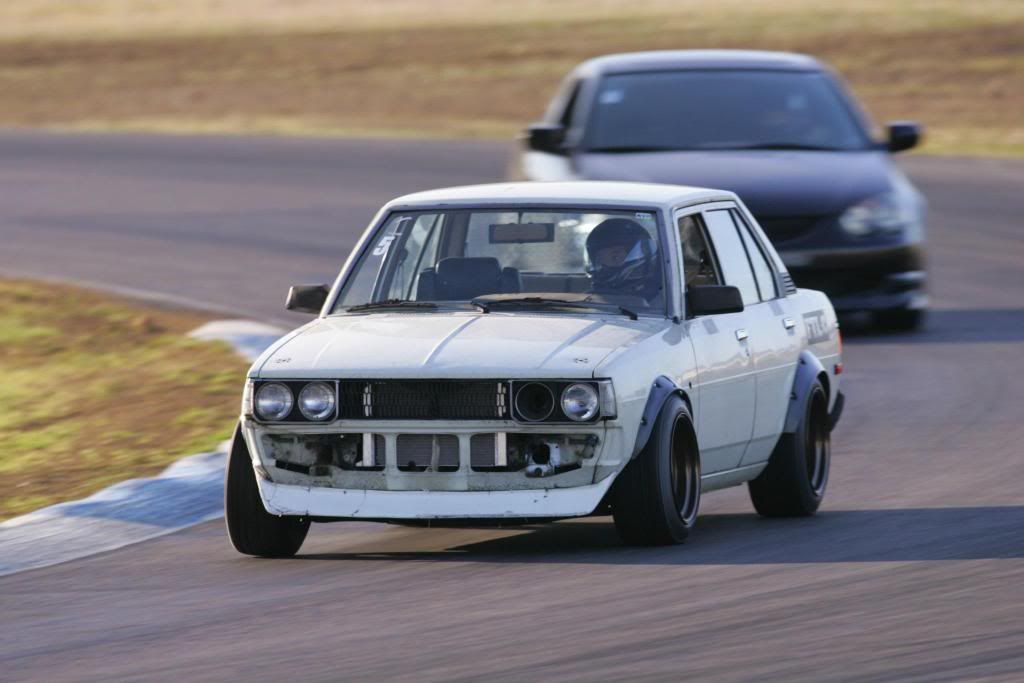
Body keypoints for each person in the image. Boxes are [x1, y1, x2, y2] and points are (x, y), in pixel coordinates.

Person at [585, 217, 662, 302]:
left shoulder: (662, 302)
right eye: (598, 259)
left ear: (638, 257)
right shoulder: (586, 301)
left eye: (615, 257)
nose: (603, 265)